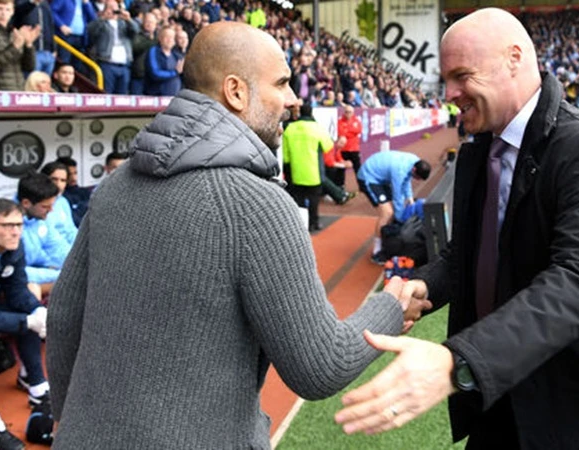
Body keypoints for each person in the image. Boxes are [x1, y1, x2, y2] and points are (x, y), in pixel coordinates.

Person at [46, 21, 419, 449]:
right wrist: (391, 305)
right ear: (236, 91)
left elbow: (63, 316)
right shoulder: (255, 203)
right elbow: (321, 365)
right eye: (281, 83)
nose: (294, 99)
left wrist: (66, 420)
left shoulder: (115, 184)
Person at [334, 9, 579, 450]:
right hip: (501, 394)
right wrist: (427, 286)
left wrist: (457, 362)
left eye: (461, 76)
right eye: (445, 79)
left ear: (514, 59)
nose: (450, 93)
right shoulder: (480, 147)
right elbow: (470, 252)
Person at [0, 199, 51, 450]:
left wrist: (36, 311)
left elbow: (15, 291)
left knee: (26, 312)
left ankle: (35, 384)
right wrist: (25, 322)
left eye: (19, 225)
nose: (16, 231)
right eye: (8, 225)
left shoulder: (14, 245)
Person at [356, 150, 431, 264]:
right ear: (414, 170)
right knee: (387, 212)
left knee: (392, 212)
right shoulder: (400, 170)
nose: (416, 180)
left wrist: (410, 200)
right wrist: (401, 219)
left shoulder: (414, 162)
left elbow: (406, 182)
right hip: (369, 176)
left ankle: (388, 241)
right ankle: (377, 251)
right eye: (417, 178)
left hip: (382, 178)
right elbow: (398, 195)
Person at [282, 103, 333, 231]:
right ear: (311, 113)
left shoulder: (290, 128)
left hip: (296, 172)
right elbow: (328, 146)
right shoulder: (317, 128)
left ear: (299, 113)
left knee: (299, 200)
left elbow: (285, 155)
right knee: (314, 199)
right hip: (313, 172)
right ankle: (313, 223)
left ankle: (301, 226)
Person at [16, 172, 71, 292]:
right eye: (45, 207)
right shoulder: (9, 225)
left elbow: (58, 248)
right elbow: (16, 272)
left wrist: (77, 267)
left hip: (45, 272)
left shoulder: (40, 219)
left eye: (52, 205)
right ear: (26, 203)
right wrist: (61, 275)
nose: (51, 210)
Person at [0, 0, 39, 91]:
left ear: (12, 12)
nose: (3, 13)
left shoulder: (15, 33)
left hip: (17, 92)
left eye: (7, 9)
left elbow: (29, 67)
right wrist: (14, 48)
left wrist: (29, 45)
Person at [86, 0, 139, 94]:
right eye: (110, 7)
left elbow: (135, 31)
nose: (113, 10)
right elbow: (90, 31)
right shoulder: (101, 22)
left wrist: (129, 20)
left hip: (124, 64)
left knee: (122, 95)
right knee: (107, 94)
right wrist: (102, 18)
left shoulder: (123, 23)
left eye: (115, 7)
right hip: (107, 63)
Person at [40, 161, 77, 246]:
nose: (58, 184)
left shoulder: (63, 201)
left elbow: (71, 230)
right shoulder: (37, 205)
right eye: (54, 179)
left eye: (63, 180)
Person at [55, 157, 90, 227]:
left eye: (75, 173)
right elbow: (74, 221)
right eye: (70, 174)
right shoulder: (60, 199)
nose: (74, 178)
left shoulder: (85, 192)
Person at [337, 104, 362, 180]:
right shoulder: (340, 121)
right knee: (340, 170)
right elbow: (341, 132)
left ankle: (362, 188)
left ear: (353, 112)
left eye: (350, 112)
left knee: (358, 170)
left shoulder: (356, 121)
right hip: (343, 149)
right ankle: (341, 188)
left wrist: (347, 131)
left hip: (354, 149)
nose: (348, 114)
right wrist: (351, 132)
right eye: (346, 112)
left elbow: (358, 130)